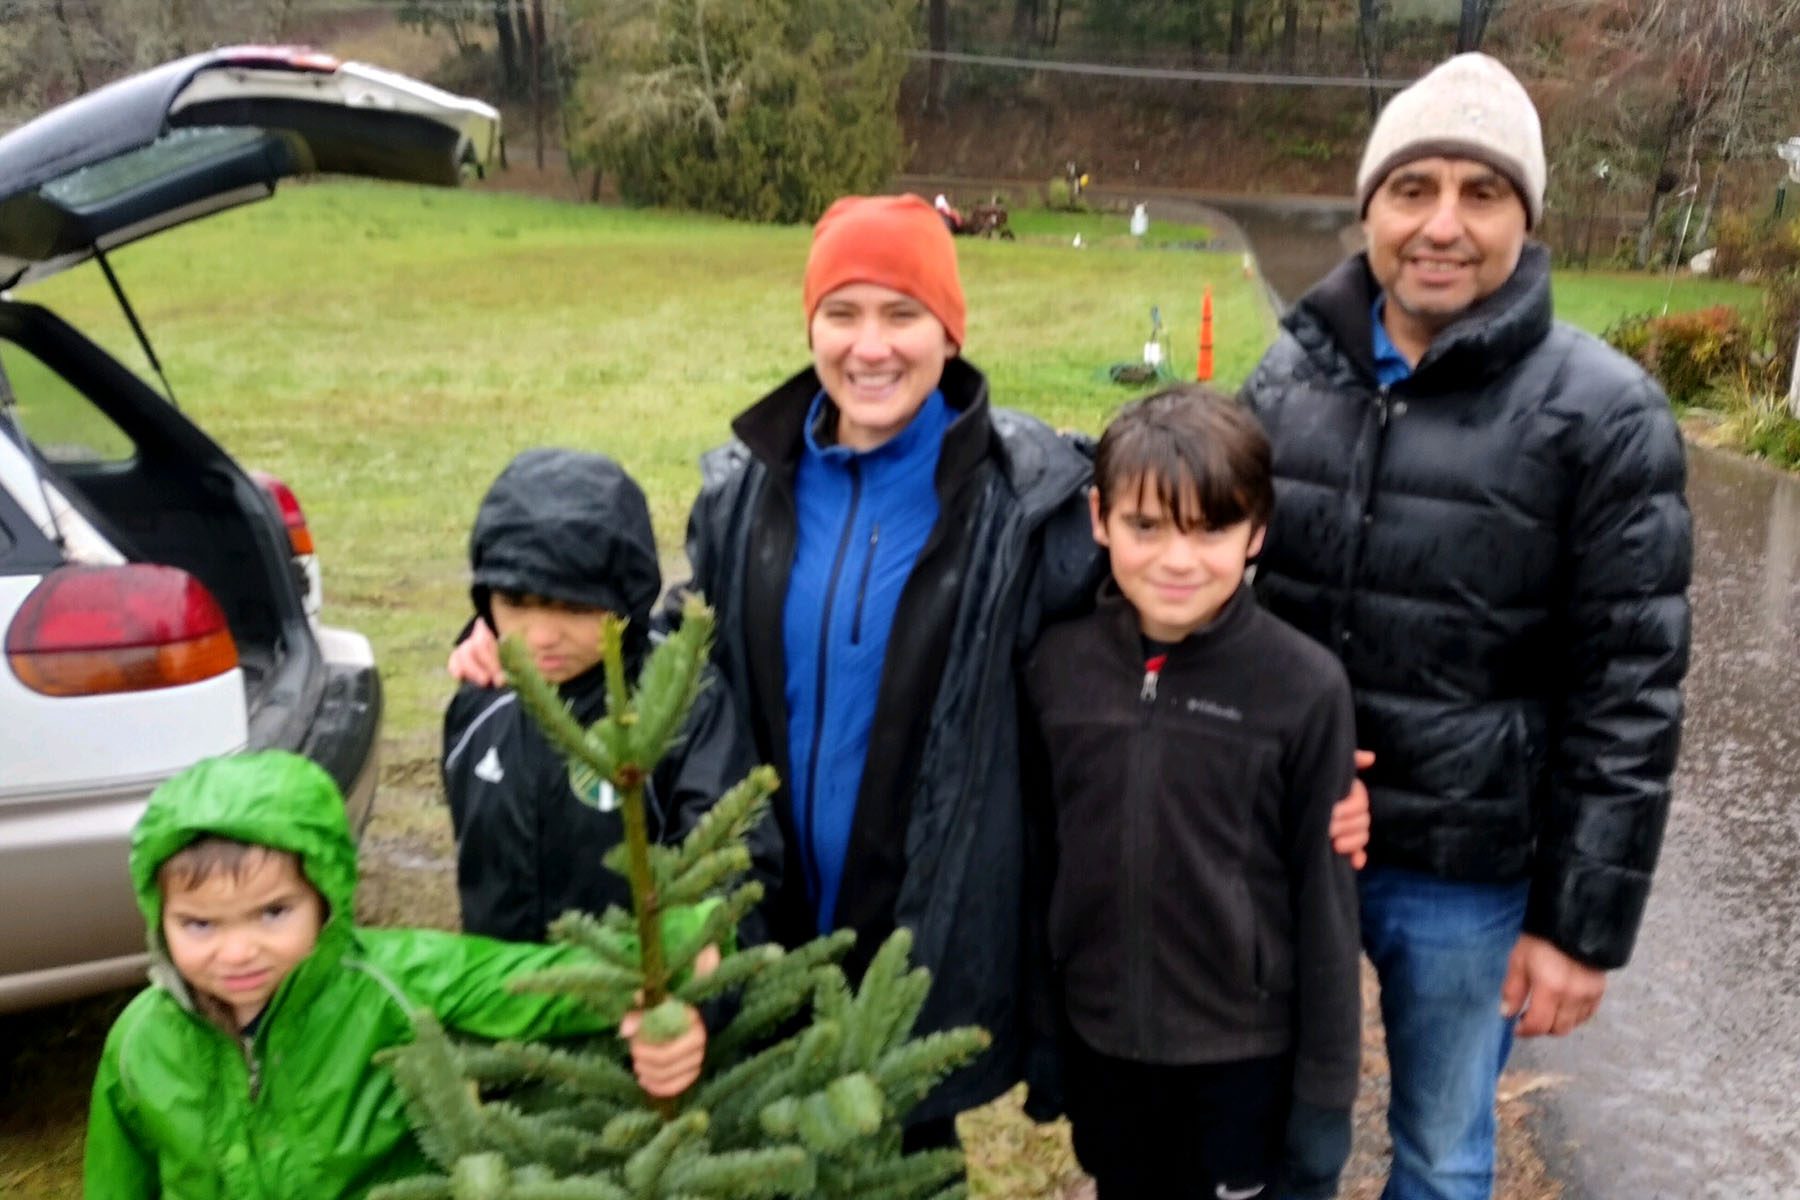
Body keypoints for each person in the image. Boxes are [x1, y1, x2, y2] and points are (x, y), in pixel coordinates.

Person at [450, 193, 1373, 1151]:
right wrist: (504, 631)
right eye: (842, 314)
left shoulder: (1030, 500)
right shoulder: (741, 492)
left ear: (949, 330)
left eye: (903, 314)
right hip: (770, 919)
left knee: (903, 1162)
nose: (871, 346)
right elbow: (677, 645)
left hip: (922, 940)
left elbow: (1179, 591)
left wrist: (1310, 754)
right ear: (811, 325)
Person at [1240, 53, 1692, 1200]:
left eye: (1480, 193)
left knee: (1442, 1158)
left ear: (1524, 219)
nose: (1443, 225)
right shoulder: (1287, 376)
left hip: (1467, 875)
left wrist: (1581, 927)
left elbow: (1627, 693)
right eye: (1413, 189)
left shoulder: (1606, 414)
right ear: (1370, 208)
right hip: (1292, 846)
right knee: (1276, 1138)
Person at [84, 751, 709, 1199]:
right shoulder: (139, 1042)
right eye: (200, 926)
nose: (237, 951)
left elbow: (535, 983)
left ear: (326, 896)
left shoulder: (392, 982)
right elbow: (118, 1179)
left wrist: (687, 940)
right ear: (157, 916)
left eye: (273, 912)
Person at [1023, 386, 1361, 1200]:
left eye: (1210, 528)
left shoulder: (1303, 686)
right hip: (1104, 1045)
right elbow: (1037, 861)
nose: (1177, 560)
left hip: (1240, 1059)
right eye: (1146, 526)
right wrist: (1043, 1032)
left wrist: (1326, 1090)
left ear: (1258, 531)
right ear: (1099, 518)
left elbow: (1326, 903)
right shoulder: (1054, 670)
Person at [441, 448, 769, 943]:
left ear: (626, 595)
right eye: (515, 603)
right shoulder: (482, 701)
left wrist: (691, 981)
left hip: (643, 1002)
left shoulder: (680, 701)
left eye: (573, 608)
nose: (541, 636)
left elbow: (734, 866)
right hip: (507, 1006)